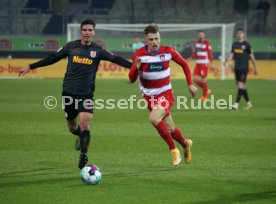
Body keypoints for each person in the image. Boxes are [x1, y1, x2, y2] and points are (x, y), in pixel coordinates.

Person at [18, 19, 132, 169]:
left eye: (90, 30)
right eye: (84, 30)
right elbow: (53, 58)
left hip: (86, 94)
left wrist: (135, 68)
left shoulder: (98, 50)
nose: (87, 33)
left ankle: (83, 154)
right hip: (68, 93)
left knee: (85, 122)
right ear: (80, 31)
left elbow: (116, 59)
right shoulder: (71, 46)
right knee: (72, 127)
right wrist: (31, 66)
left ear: (94, 32)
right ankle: (79, 135)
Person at [129, 23, 197, 166]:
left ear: (160, 37)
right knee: (170, 129)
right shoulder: (139, 55)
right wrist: (136, 68)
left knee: (154, 119)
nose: (154, 42)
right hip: (149, 97)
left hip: (165, 94)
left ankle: (174, 150)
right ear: (146, 40)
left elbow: (185, 64)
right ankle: (186, 144)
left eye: (157, 38)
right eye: (151, 39)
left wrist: (190, 84)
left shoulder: (168, 52)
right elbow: (131, 78)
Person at [224, 28, 258, 110]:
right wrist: (227, 60)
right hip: (237, 68)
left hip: (244, 68)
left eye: (241, 33)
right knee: (242, 86)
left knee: (240, 86)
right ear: (236, 35)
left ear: (243, 35)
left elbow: (252, 57)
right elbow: (231, 54)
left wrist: (255, 67)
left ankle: (236, 104)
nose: (239, 34)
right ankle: (249, 103)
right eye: (238, 33)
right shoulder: (234, 44)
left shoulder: (247, 45)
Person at [187, 30, 212, 100]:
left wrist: (211, 63)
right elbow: (195, 52)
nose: (200, 36)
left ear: (204, 35)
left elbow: (210, 53)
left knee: (203, 79)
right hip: (198, 63)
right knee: (194, 79)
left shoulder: (207, 43)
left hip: (204, 63)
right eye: (199, 35)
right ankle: (206, 89)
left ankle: (204, 96)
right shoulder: (197, 43)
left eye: (202, 34)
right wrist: (190, 58)